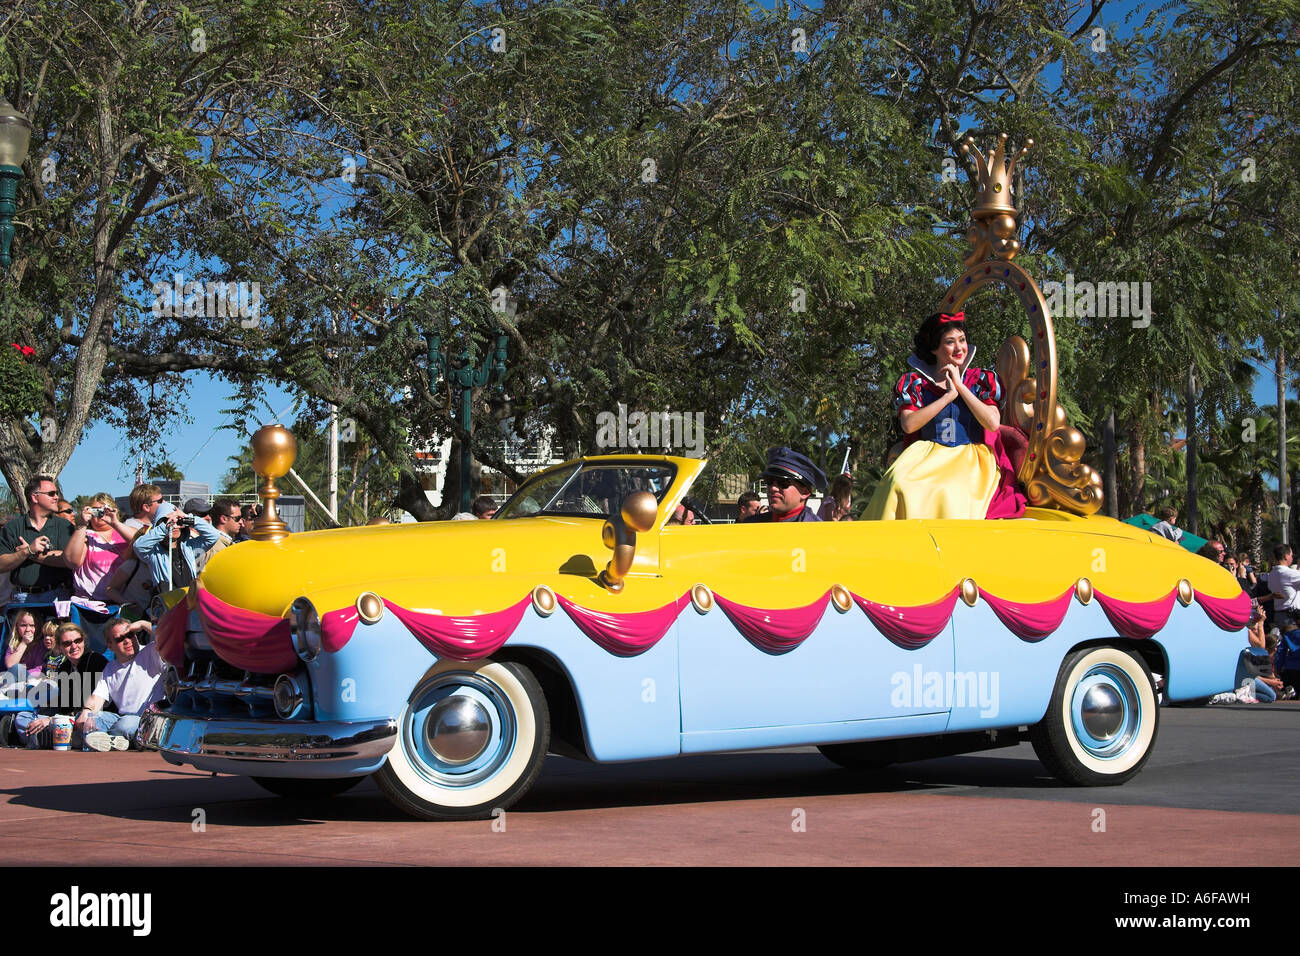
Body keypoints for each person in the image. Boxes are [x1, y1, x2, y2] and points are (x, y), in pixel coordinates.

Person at [863, 311, 1015, 520]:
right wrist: (947, 396)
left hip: (970, 456)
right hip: (927, 454)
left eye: (962, 340)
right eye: (950, 342)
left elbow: (992, 423)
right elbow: (909, 425)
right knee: (898, 483)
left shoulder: (979, 379)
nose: (959, 347)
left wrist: (961, 387)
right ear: (934, 348)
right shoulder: (917, 382)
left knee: (950, 490)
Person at [14, 622, 109, 749]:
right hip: (69, 720)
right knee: (23, 717)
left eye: (77, 641)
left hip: (91, 715)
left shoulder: (96, 661)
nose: (74, 646)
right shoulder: (64, 668)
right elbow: (65, 708)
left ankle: (45, 739)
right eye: (67, 643)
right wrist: (51, 719)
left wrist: (51, 721)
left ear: (84, 640)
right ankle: (50, 738)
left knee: (85, 724)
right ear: (59, 646)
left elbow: (92, 705)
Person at [74, 617, 160, 751]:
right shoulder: (110, 668)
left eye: (130, 635)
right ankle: (114, 740)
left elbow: (167, 637)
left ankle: (102, 739)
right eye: (120, 639)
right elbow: (97, 698)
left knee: (126, 725)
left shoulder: (150, 651)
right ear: (110, 645)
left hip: (147, 719)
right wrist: (86, 713)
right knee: (89, 719)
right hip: (121, 718)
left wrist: (143, 624)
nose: (127, 641)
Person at [0, 474, 76, 601]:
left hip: (57, 595)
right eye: (51, 494)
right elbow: (1, 564)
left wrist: (31, 554)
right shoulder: (13, 527)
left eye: (56, 493)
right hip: (22, 598)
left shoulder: (64, 526)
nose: (56, 497)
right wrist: (27, 550)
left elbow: (68, 560)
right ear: (35, 497)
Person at [132, 500, 220, 594]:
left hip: (188, 603)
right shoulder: (153, 552)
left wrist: (187, 518)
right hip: (168, 604)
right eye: (169, 522)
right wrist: (164, 528)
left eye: (178, 522)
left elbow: (213, 535)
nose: (175, 526)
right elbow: (139, 546)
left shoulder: (189, 547)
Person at [741, 447, 826, 523]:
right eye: (769, 480)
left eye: (783, 482)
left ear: (804, 492)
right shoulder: (752, 524)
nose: (773, 488)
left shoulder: (818, 533)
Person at [2, 609, 47, 688]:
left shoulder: (41, 644)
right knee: (16, 669)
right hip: (15, 680)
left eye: (32, 625)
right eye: (23, 625)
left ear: (38, 626)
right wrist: (23, 643)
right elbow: (10, 664)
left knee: (18, 668)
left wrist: (23, 672)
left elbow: (38, 669)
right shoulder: (14, 643)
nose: (28, 629)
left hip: (33, 680)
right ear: (17, 627)